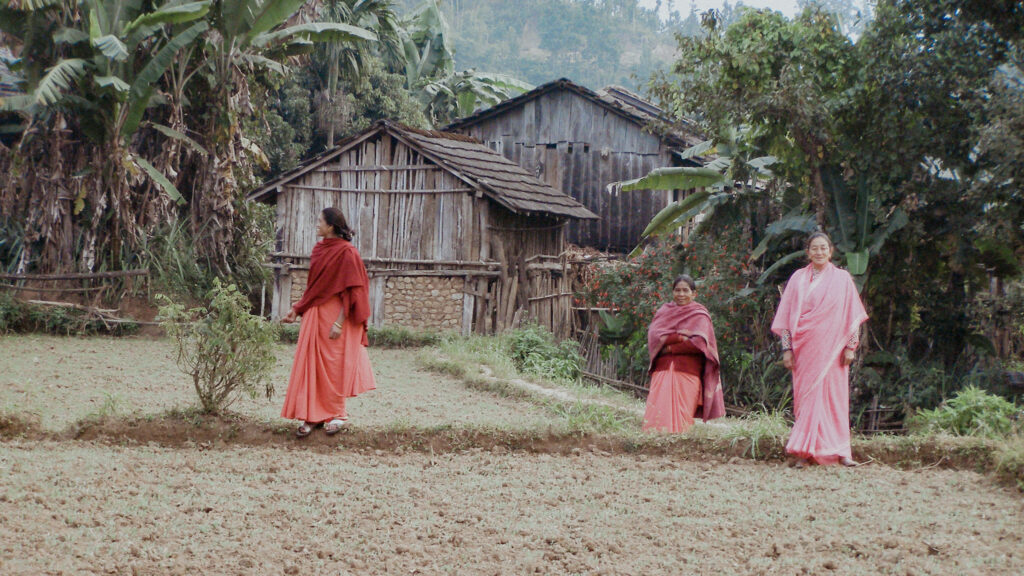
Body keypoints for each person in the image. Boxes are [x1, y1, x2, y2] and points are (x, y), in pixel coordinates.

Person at [771, 232, 868, 467]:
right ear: (808, 252)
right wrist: (787, 349)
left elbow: (852, 316)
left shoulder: (843, 279)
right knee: (807, 399)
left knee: (835, 399)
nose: (819, 252)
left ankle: (840, 451)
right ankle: (805, 453)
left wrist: (850, 346)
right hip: (804, 350)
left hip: (834, 351)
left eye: (823, 248)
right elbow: (785, 318)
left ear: (831, 251)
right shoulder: (797, 279)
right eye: (815, 248)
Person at [281, 207, 376, 437]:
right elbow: (315, 287)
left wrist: (340, 322)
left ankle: (338, 414)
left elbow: (354, 289)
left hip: (337, 317)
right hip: (316, 314)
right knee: (311, 365)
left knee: (335, 366)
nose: (317, 224)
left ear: (331, 226)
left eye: (320, 221)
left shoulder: (348, 253)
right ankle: (312, 416)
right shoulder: (319, 249)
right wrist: (297, 309)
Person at [643, 274, 726, 433]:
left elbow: (700, 343)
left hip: (688, 371)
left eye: (685, 290)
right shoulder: (664, 311)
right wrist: (682, 337)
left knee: (683, 412)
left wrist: (670, 348)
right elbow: (655, 336)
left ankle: (679, 446)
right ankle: (653, 444)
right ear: (672, 292)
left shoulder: (700, 314)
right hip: (663, 369)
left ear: (694, 293)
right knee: (658, 411)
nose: (681, 294)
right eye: (677, 290)